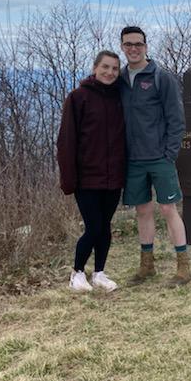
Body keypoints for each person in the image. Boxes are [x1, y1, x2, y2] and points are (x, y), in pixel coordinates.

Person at [118, 26, 191, 286]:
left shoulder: (161, 77)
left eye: (138, 44)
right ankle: (146, 266)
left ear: (146, 46)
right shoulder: (120, 79)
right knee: (142, 210)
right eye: (128, 44)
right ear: (122, 47)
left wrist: (169, 153)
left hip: (159, 157)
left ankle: (183, 267)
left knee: (168, 208)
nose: (134, 49)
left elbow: (176, 119)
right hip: (133, 159)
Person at [57, 50, 126, 293]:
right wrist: (68, 179)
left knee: (105, 227)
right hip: (86, 178)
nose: (110, 72)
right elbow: (66, 141)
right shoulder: (78, 97)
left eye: (115, 69)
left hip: (113, 177)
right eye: (105, 67)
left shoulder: (120, 97)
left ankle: (99, 273)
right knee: (94, 227)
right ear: (95, 68)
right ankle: (76, 273)